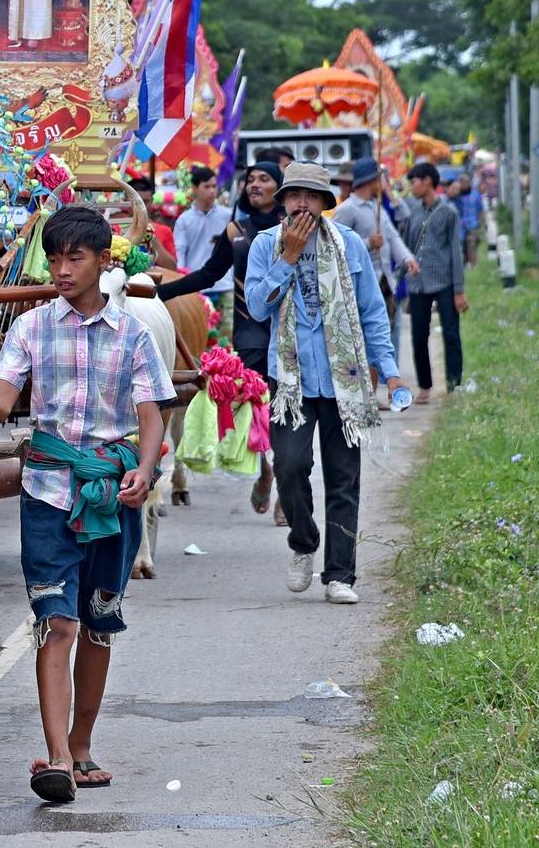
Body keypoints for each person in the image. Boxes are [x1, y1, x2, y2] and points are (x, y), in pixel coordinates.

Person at [0, 204, 170, 803]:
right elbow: (2, 402)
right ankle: (55, 757)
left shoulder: (132, 332)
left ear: (105, 262)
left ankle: (81, 745)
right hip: (48, 492)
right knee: (57, 622)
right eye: (53, 258)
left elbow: (151, 412)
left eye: (73, 257)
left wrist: (147, 471)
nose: (60, 269)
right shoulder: (30, 327)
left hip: (112, 492)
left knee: (100, 624)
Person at [244, 163, 405, 605]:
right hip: (291, 380)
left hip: (345, 380)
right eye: (294, 195)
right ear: (284, 201)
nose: (302, 204)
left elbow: (373, 312)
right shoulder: (265, 246)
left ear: (324, 204)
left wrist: (389, 371)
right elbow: (258, 309)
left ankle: (340, 575)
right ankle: (303, 541)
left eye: (311, 197)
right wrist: (288, 259)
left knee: (343, 478)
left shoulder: (350, 245)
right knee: (291, 467)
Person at [227, 161, 285, 518]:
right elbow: (208, 272)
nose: (254, 184)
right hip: (250, 334)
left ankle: (286, 486)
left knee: (288, 412)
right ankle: (266, 470)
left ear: (280, 187)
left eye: (264, 178)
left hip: (289, 333)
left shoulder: (295, 227)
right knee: (257, 414)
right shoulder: (236, 229)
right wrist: (161, 290)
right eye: (250, 179)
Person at [401, 162, 467, 402]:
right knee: (418, 336)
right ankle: (425, 386)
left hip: (445, 282)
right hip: (418, 283)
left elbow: (455, 253)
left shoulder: (449, 212)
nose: (412, 187)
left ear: (427, 181)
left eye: (414, 182)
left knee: (451, 334)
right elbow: (406, 248)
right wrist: (403, 286)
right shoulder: (413, 213)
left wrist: (459, 290)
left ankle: (454, 384)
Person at [335, 158, 418, 330]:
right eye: (380, 178)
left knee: (390, 333)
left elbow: (393, 237)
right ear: (370, 180)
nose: (383, 182)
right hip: (362, 285)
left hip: (386, 280)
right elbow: (336, 246)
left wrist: (408, 258)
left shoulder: (377, 206)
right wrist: (368, 243)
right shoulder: (347, 209)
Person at [172, 167, 234, 334]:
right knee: (200, 336)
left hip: (225, 285)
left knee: (227, 336)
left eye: (214, 186)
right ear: (194, 188)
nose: (212, 191)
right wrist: (182, 278)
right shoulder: (184, 220)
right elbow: (180, 253)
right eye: (207, 186)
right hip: (196, 287)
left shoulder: (228, 216)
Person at [451, 174, 485, 265]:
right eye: (461, 182)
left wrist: (481, 223)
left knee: (471, 245)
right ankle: (465, 266)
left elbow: (480, 210)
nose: (463, 184)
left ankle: (473, 266)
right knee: (462, 247)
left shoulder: (475, 195)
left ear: (469, 183)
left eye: (465, 182)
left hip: (473, 225)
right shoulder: (456, 196)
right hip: (460, 227)